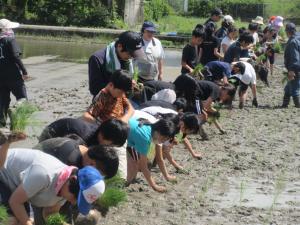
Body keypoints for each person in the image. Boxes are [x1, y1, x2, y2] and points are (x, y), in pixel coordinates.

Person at [0, 132, 105, 225]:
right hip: (3, 171)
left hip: (16, 187)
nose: (73, 203)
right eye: (75, 198)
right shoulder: (44, 174)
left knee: (26, 219)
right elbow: (15, 202)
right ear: (72, 180)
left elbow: (50, 212)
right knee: (11, 220)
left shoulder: (65, 186)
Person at [126, 118, 177, 192]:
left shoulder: (151, 129)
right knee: (134, 168)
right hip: (114, 134)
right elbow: (143, 166)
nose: (163, 141)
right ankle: (122, 186)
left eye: (166, 139)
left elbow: (158, 159)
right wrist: (154, 186)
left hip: (128, 140)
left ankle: (126, 182)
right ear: (158, 131)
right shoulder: (145, 137)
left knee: (135, 166)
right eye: (163, 138)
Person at [88, 31, 144, 97]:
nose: (131, 57)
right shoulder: (97, 59)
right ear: (119, 46)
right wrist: (124, 84)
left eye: (134, 55)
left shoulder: (128, 60)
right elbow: (94, 89)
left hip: (124, 100)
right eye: (130, 54)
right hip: (104, 101)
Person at [0, 19, 29, 128]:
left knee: (3, 100)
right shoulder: (10, 40)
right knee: (22, 98)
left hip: (0, 77)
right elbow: (15, 56)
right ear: (6, 29)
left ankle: (1, 124)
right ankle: (16, 117)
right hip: (13, 75)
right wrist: (24, 71)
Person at [38, 117, 129, 147]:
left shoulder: (99, 132)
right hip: (50, 135)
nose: (110, 147)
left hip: (68, 132)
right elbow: (69, 154)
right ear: (102, 135)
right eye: (111, 145)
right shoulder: (85, 138)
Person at [282, 23, 300, 108]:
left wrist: (292, 70)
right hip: (295, 66)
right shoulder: (298, 37)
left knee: (294, 86)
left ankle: (298, 105)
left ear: (288, 32)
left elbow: (295, 57)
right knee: (289, 86)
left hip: (295, 68)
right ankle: (285, 104)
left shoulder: (292, 42)